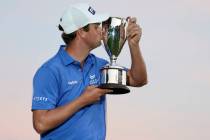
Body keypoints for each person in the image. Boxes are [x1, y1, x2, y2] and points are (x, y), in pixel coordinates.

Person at [32, 3, 147, 140]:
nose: (101, 30)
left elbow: (138, 79)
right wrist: (82, 100)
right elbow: (40, 123)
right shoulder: (50, 71)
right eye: (96, 26)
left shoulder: (99, 65)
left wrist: (134, 45)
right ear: (81, 31)